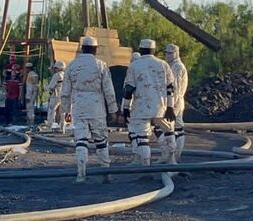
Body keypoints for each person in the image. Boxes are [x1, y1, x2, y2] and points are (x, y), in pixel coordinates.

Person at [61, 36, 118, 182]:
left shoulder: (72, 66)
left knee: (81, 141)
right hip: (96, 107)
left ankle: (81, 174)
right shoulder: (101, 65)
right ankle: (105, 173)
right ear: (95, 49)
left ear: (82, 48)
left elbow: (65, 92)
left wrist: (65, 111)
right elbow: (108, 90)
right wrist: (113, 110)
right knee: (101, 141)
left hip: (79, 106)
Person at [123, 38, 177, 166]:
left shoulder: (134, 66)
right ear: (154, 50)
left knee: (142, 138)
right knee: (169, 131)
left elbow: (129, 89)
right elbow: (170, 88)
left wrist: (126, 107)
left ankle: (145, 166)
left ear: (141, 50)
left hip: (141, 107)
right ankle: (172, 160)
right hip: (161, 106)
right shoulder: (164, 65)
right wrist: (170, 107)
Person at [165, 43, 189, 163]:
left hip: (175, 100)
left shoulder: (177, 67)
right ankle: (173, 156)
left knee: (174, 128)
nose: (167, 55)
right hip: (177, 100)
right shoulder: (174, 66)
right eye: (166, 53)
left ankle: (174, 156)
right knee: (176, 127)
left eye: (169, 53)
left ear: (175, 53)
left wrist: (170, 104)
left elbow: (175, 87)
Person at [45, 60, 67, 133]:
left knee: (52, 109)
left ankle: (49, 126)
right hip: (64, 94)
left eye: (55, 68)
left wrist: (45, 88)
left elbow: (51, 86)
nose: (55, 69)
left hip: (56, 94)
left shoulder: (56, 75)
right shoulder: (66, 75)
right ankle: (62, 127)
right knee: (63, 111)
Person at [4, 59, 22, 123]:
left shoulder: (19, 78)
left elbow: (20, 88)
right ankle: (7, 121)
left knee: (14, 109)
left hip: (15, 96)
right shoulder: (7, 77)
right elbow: (5, 86)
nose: (14, 72)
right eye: (13, 70)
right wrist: (6, 92)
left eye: (15, 70)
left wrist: (20, 96)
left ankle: (14, 121)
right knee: (7, 109)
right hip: (9, 95)